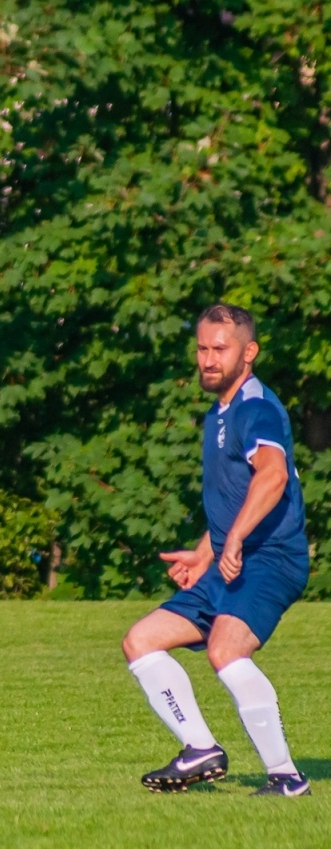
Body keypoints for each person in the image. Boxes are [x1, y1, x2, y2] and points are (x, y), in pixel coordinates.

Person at [121, 304, 311, 797]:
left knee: (224, 650)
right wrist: (207, 552)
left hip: (270, 560)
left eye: (219, 349)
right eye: (203, 348)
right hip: (231, 561)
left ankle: (287, 777)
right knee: (140, 641)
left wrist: (239, 539)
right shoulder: (220, 412)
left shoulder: (256, 408)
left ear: (248, 353)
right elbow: (236, 496)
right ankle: (200, 749)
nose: (208, 359)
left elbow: (270, 476)